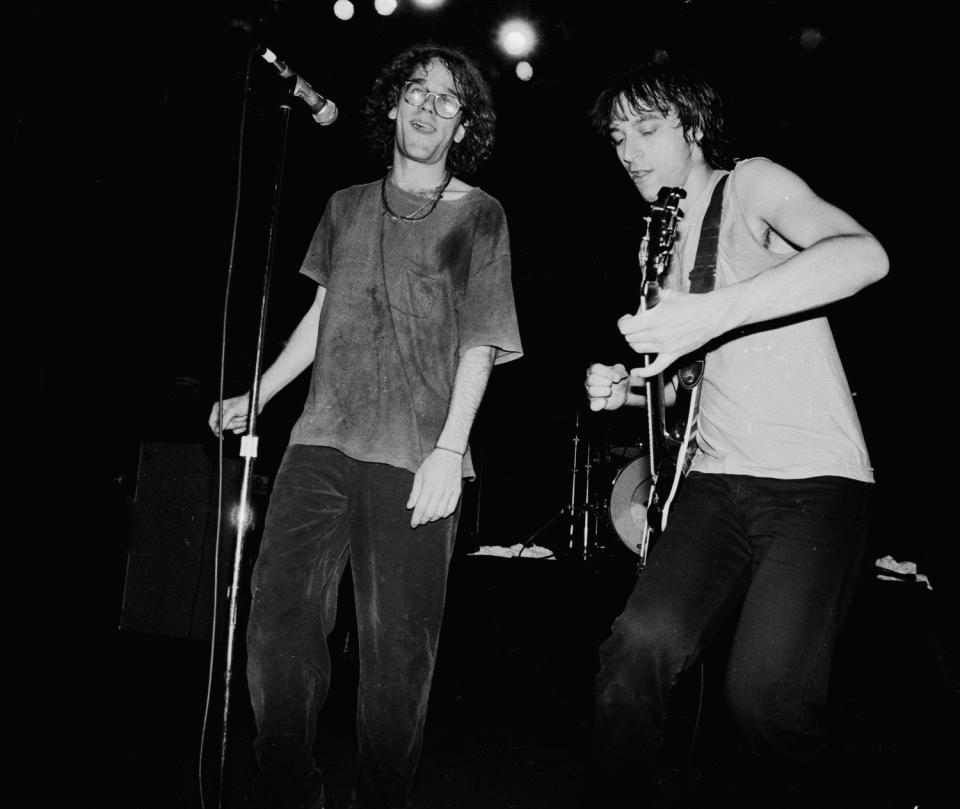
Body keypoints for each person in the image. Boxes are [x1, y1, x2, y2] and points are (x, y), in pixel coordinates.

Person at [209, 45, 522, 809]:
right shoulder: (346, 204)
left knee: (396, 667)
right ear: (392, 103)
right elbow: (321, 317)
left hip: (415, 458)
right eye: (416, 90)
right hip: (318, 443)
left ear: (463, 125)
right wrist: (260, 391)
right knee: (276, 633)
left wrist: (451, 450)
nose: (427, 107)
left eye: (447, 101)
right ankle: (292, 794)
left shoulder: (479, 215)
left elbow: (481, 340)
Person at [582, 62, 888, 807]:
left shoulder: (750, 184)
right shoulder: (655, 244)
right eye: (618, 137)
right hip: (716, 486)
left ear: (692, 126)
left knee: (765, 701)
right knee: (634, 656)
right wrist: (629, 390)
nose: (628, 150)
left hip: (814, 484)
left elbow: (863, 254)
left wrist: (713, 312)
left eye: (647, 129)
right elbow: (695, 379)